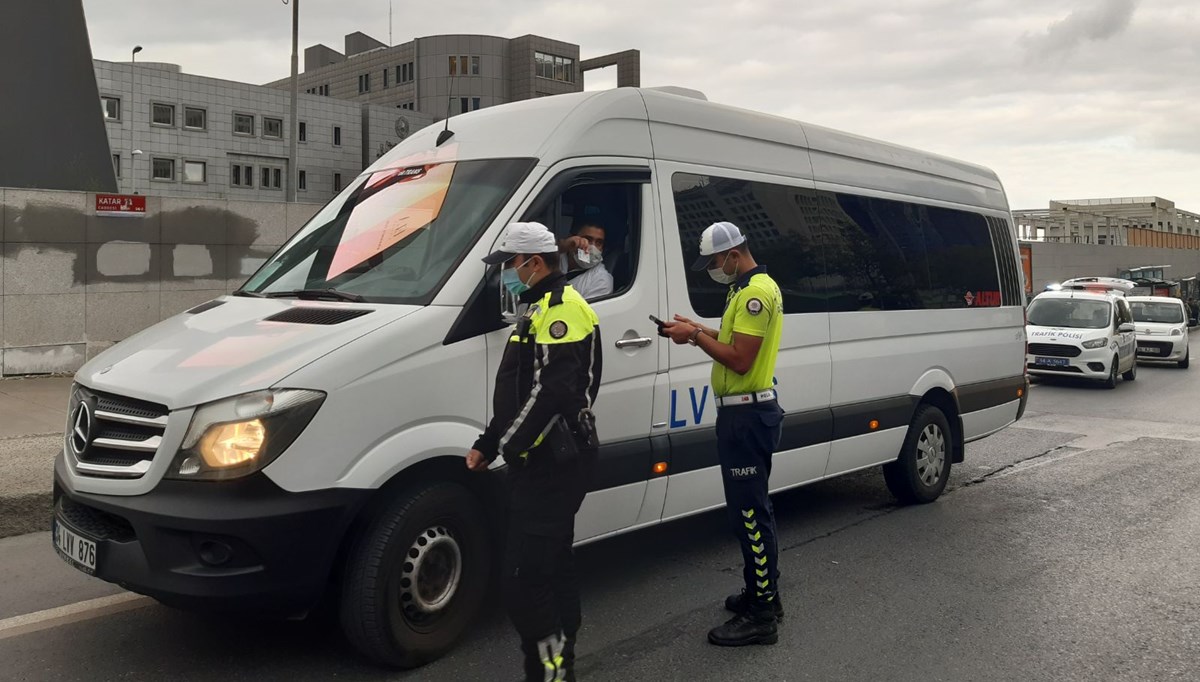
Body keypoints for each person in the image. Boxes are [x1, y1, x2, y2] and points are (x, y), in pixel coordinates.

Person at [466, 221, 603, 682]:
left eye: (509, 264)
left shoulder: (564, 308)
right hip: (542, 460)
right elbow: (520, 390)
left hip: (555, 464)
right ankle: (559, 665)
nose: (505, 273)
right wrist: (489, 442)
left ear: (534, 263)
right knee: (551, 566)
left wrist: (508, 444)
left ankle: (551, 672)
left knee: (525, 582)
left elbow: (553, 393)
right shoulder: (537, 307)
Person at [661, 221, 785, 648]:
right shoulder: (746, 288)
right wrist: (698, 329)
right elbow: (732, 342)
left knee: (749, 515)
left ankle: (762, 615)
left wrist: (694, 336)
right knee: (751, 510)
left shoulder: (754, 293)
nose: (714, 268)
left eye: (715, 261)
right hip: (743, 415)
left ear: (734, 253)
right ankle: (761, 592)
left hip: (747, 417)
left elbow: (740, 360)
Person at [558, 222, 614, 300]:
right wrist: (563, 246)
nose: (592, 247)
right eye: (587, 240)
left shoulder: (601, 280)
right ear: (572, 238)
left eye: (599, 243)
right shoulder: (557, 257)